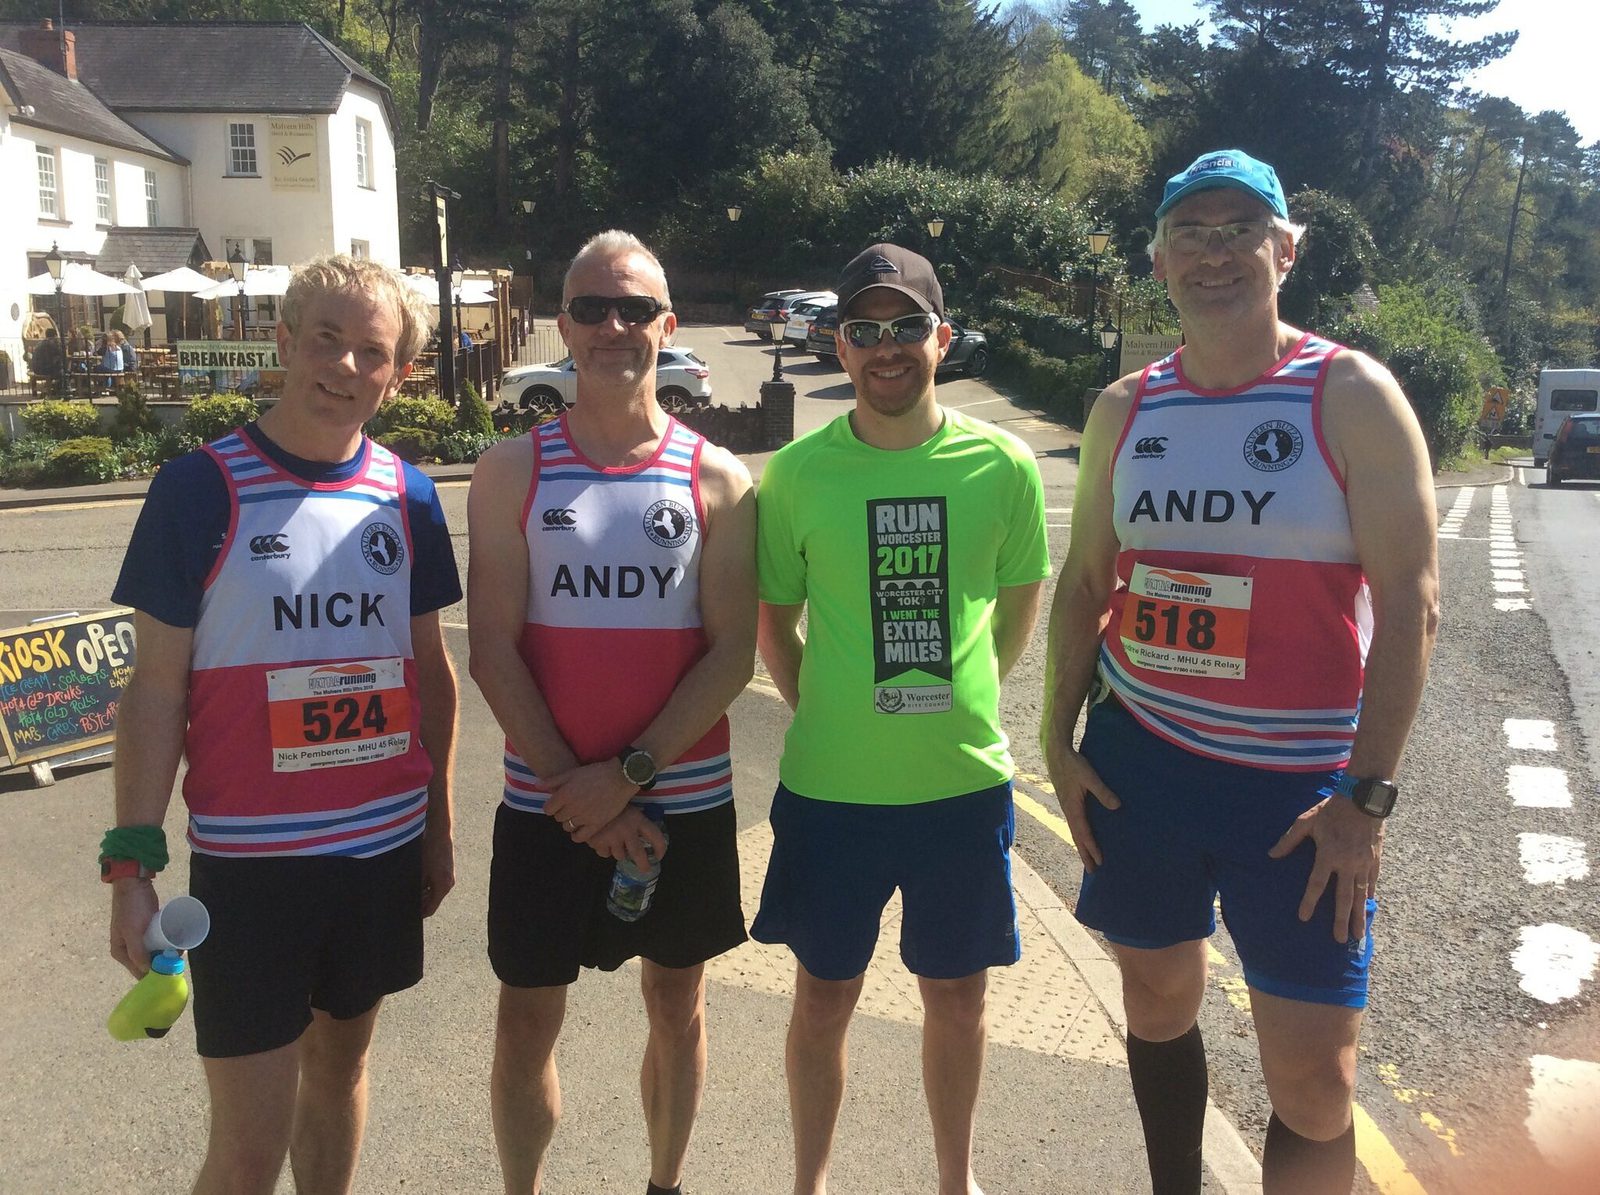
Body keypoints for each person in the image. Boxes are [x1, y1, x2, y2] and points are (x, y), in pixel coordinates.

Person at [1042, 149, 1440, 1195]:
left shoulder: (1349, 392)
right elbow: (1085, 582)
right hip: (1145, 765)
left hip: (1300, 792)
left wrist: (1365, 794)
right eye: (1190, 232)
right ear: (1159, 261)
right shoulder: (1124, 409)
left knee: (1315, 1080)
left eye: (1238, 229)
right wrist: (1055, 740)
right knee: (1158, 1001)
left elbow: (1413, 604)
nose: (1214, 251)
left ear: (1284, 248)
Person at [104, 254, 461, 1195]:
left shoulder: (409, 494)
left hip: (378, 854)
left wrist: (439, 827)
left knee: (339, 1074)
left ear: (397, 373)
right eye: (327, 340)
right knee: (249, 1145)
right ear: (285, 342)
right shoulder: (196, 489)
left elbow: (429, 672)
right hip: (253, 871)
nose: (345, 366)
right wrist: (130, 868)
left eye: (371, 352)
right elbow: (152, 693)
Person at [753, 243, 1049, 1195]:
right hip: (831, 793)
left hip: (960, 790)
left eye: (907, 326)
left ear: (942, 337)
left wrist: (959, 702)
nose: (888, 347)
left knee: (958, 1000)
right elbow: (775, 623)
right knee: (822, 996)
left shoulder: (1002, 465)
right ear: (840, 346)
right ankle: (811, 1181)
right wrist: (826, 709)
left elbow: (1016, 612)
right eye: (866, 330)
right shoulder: (797, 476)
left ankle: (953, 1181)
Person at [469, 229, 755, 1195]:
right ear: (564, 329)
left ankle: (664, 1182)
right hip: (548, 801)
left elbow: (731, 655)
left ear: (666, 329)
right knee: (525, 1019)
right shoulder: (513, 469)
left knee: (677, 1002)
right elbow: (492, 650)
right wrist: (574, 788)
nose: (614, 326)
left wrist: (625, 780)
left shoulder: (717, 478)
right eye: (592, 307)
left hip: (680, 797)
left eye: (635, 309)